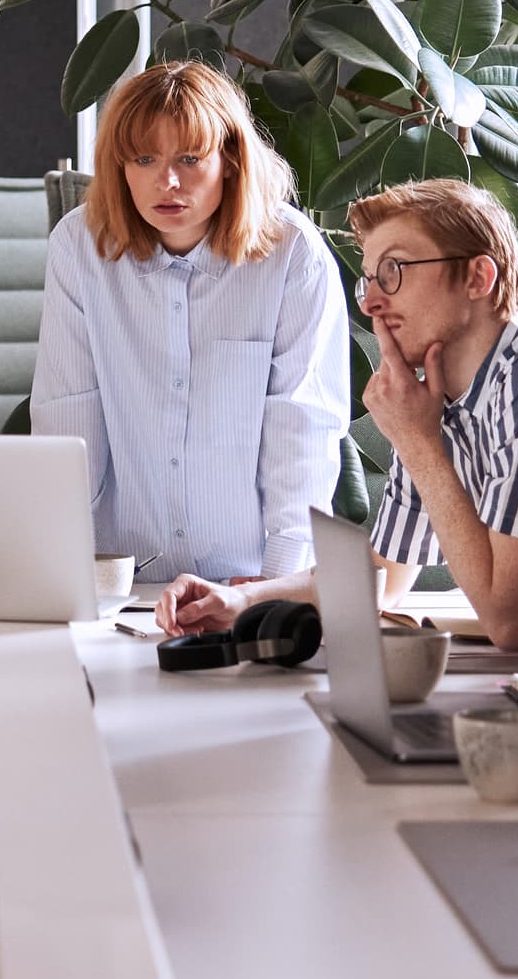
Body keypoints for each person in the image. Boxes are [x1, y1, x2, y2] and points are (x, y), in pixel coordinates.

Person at [160, 178, 518, 652]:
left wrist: (416, 441)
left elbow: (509, 621)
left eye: (394, 272)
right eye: (369, 280)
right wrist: (243, 604)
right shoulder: (441, 405)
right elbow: (384, 574)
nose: (372, 304)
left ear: (478, 277)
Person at [33, 61, 349, 588]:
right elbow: (69, 419)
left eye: (189, 158)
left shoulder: (294, 255)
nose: (167, 181)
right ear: (121, 166)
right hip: (124, 584)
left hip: (248, 584)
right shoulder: (79, 247)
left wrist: (272, 594)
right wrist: (62, 581)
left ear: (229, 158)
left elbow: (303, 431)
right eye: (144, 158)